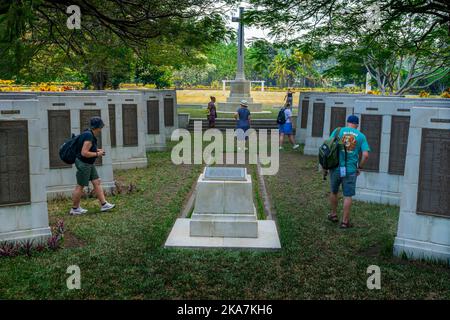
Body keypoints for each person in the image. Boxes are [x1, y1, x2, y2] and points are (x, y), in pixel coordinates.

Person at [326, 115, 370, 228]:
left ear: (347, 122)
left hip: (335, 167)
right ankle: (345, 222)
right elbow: (365, 155)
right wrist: (359, 167)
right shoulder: (361, 136)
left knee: (334, 191)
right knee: (348, 195)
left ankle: (334, 214)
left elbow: (328, 146)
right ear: (357, 125)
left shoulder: (338, 131)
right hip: (350, 170)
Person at [70, 117, 115, 215]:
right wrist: (97, 154)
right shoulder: (89, 136)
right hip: (84, 163)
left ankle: (104, 204)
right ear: (97, 127)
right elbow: (84, 153)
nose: (101, 129)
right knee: (80, 186)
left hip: (88, 163)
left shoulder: (88, 133)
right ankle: (74, 208)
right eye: (100, 127)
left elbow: (87, 147)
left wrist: (97, 150)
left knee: (96, 181)